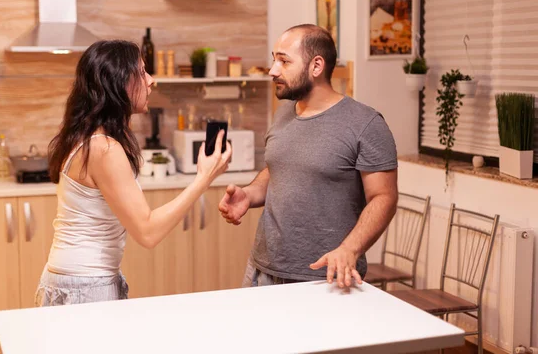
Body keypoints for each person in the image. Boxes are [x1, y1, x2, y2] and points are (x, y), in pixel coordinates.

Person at [35, 40, 232, 306]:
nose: (151, 80)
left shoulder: (86, 137)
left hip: (68, 280)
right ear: (117, 82)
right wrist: (204, 178)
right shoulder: (104, 148)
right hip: (85, 286)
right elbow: (147, 232)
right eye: (141, 72)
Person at [218, 24, 398, 288]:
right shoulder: (283, 114)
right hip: (262, 269)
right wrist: (249, 194)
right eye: (273, 59)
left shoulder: (365, 124)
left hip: (326, 277)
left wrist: (350, 249)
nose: (273, 70)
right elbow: (278, 170)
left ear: (316, 66)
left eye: (283, 61)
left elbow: (384, 198)